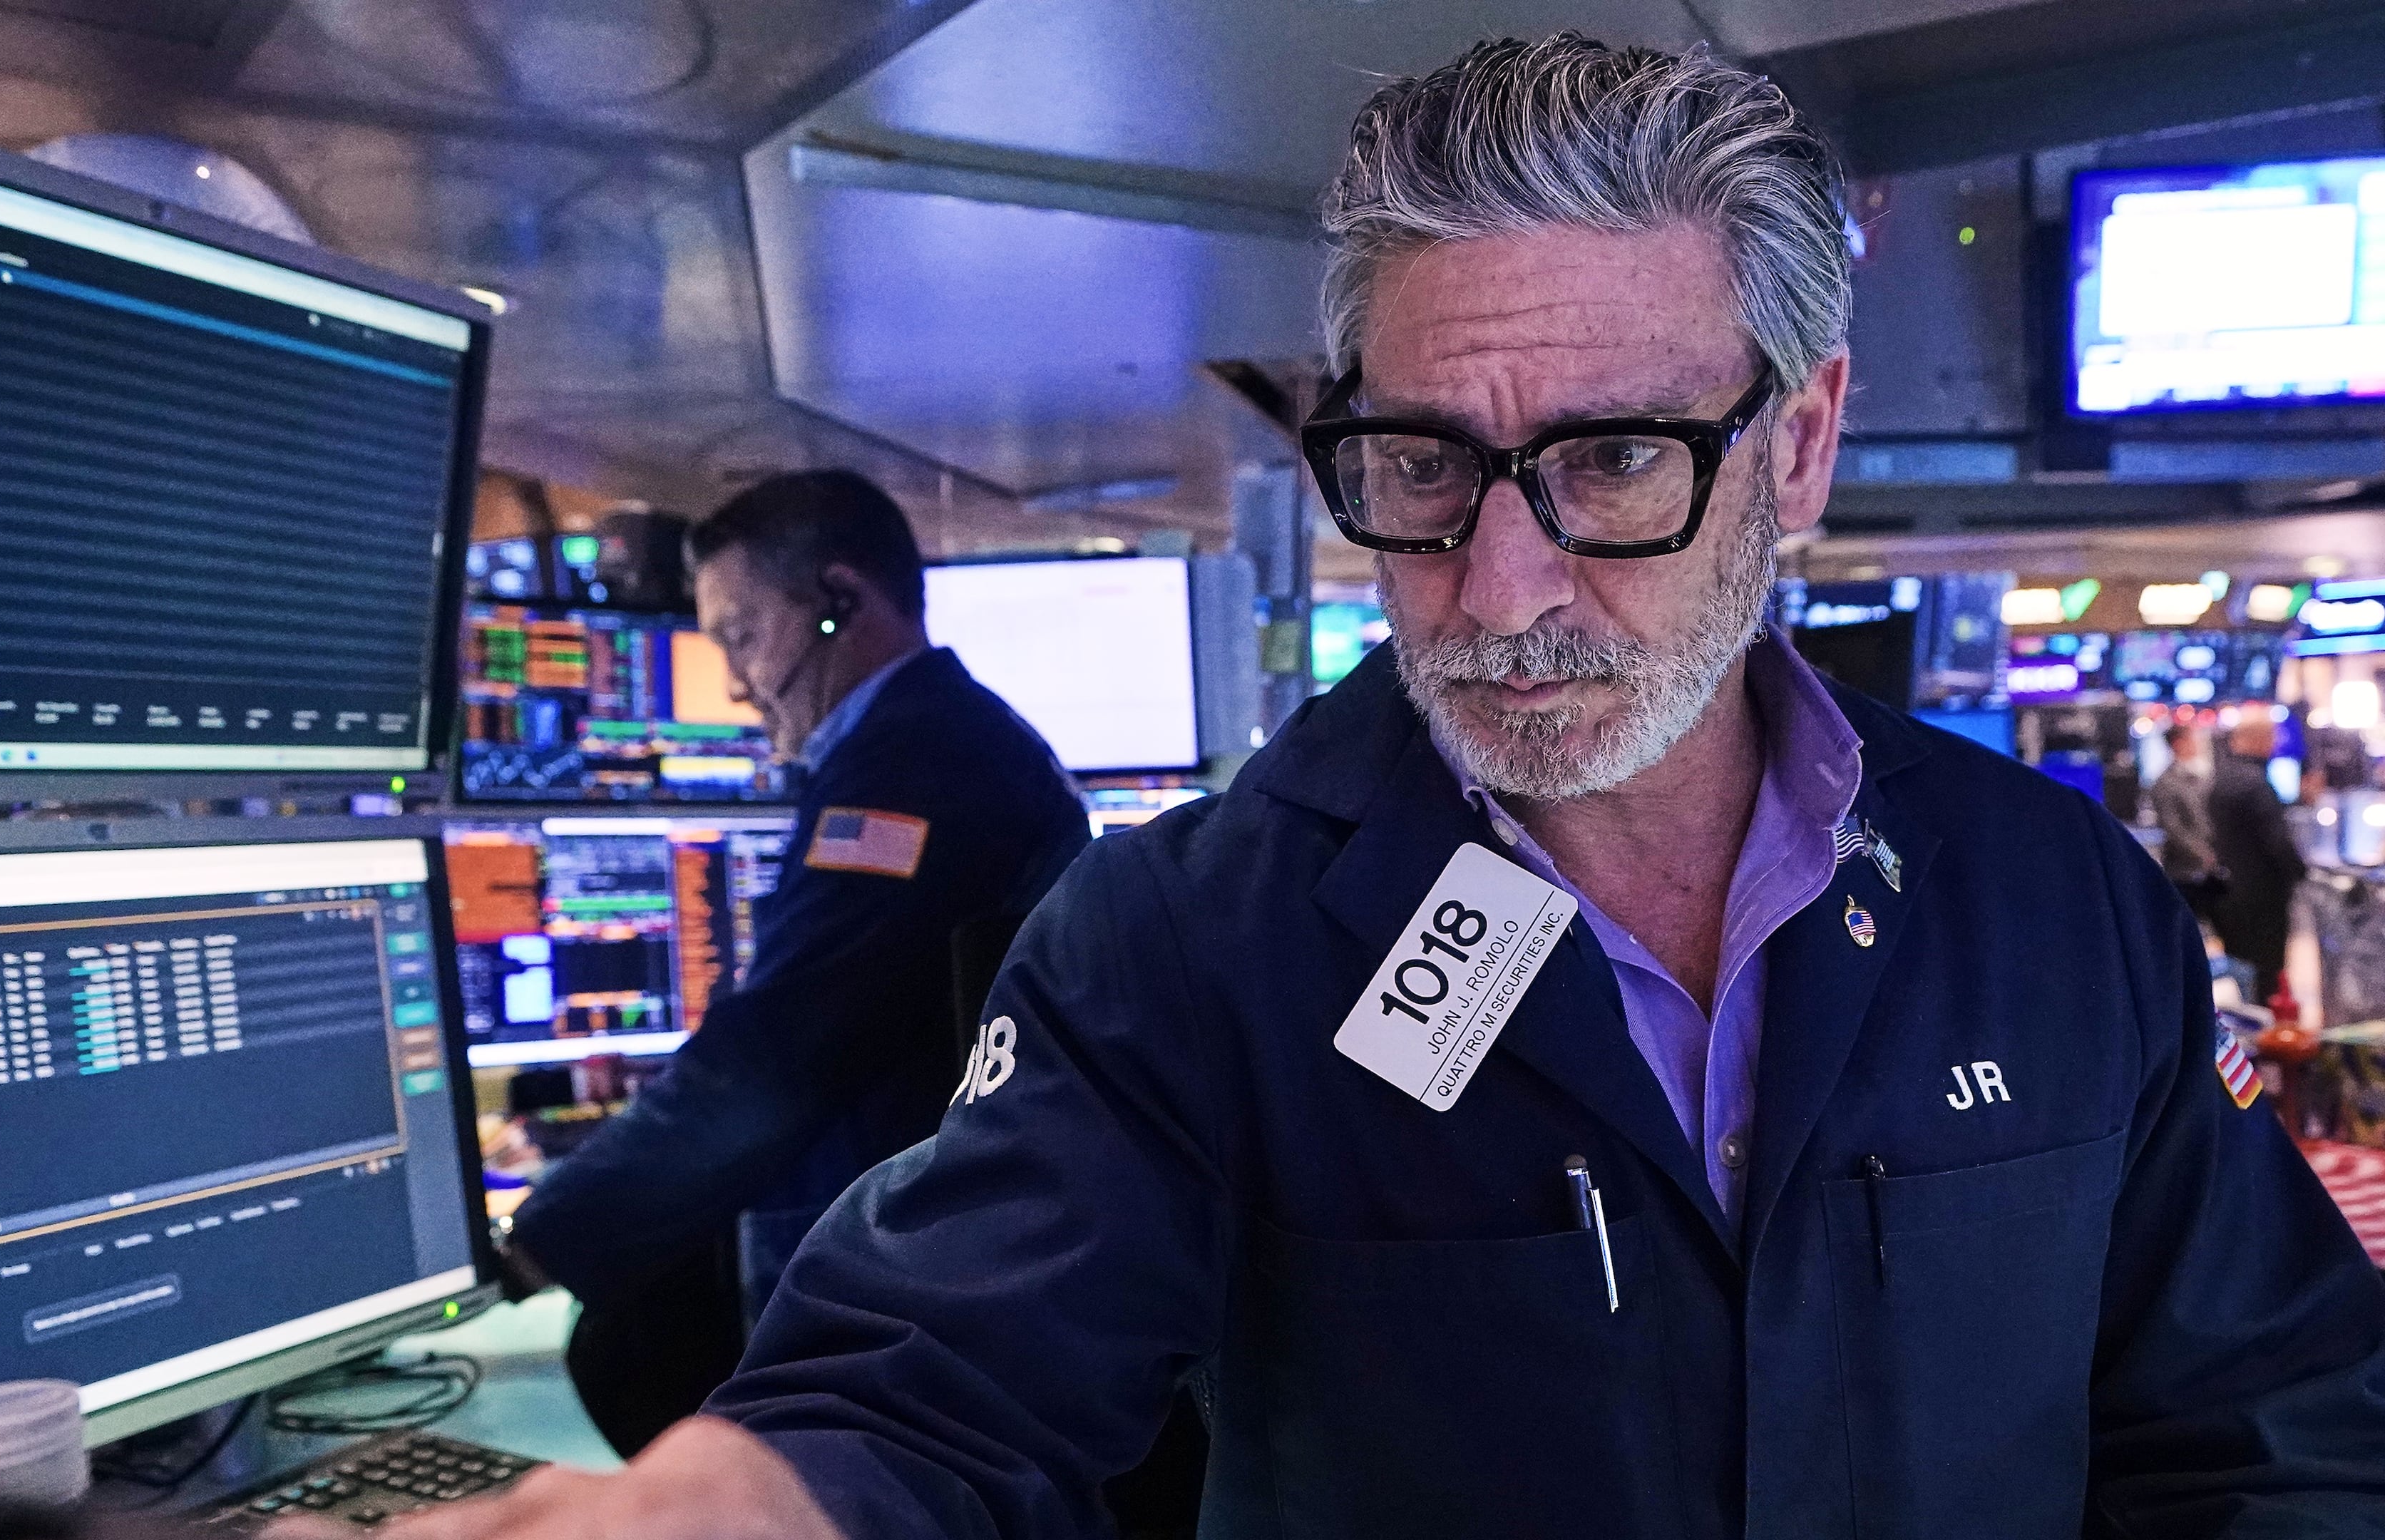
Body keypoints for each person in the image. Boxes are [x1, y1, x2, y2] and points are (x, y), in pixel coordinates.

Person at [327, 36, 2385, 1539]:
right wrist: (739, 1509)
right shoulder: (1188, 939)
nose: (1498, 589)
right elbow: (943, 1385)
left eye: (1607, 464)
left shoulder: (2045, 895)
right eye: (1421, 471)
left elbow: (2268, 1417)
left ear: (1803, 442)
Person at [501, 468, 1089, 1455]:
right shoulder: (935, 742)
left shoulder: (914, 769)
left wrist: (539, 1242)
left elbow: (781, 1054)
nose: (734, 680)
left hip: (912, 1290)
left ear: (839, 603)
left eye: (740, 634)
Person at [2209, 711, 2310, 998]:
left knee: (2242, 968)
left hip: (2231, 891)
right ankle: (2266, 1030)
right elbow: (2276, 841)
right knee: (2267, 973)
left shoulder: (2223, 778)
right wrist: (2299, 873)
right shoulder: (2256, 784)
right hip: (2263, 897)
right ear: (2259, 738)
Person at [2151, 719, 2223, 921]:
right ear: (2179, 743)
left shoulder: (2204, 777)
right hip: (2184, 873)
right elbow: (2173, 828)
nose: (2197, 744)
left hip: (2211, 870)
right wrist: (2204, 854)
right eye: (2193, 739)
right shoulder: (2164, 783)